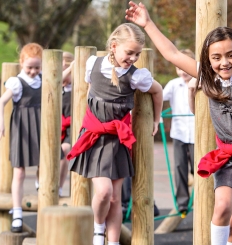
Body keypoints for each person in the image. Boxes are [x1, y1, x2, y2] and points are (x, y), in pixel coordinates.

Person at [125, 2, 232, 244]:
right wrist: (148, 24)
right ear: (208, 59)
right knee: (222, 208)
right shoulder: (207, 77)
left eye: (231, 55)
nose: (224, 62)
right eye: (216, 57)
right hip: (228, 156)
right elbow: (173, 54)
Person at [66, 23, 163, 245]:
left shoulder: (137, 76)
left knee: (115, 198)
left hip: (118, 139)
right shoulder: (93, 65)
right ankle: (98, 229)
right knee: (103, 192)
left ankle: (113, 241)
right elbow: (92, 93)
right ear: (114, 46)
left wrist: (157, 120)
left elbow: (158, 91)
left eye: (137, 54)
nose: (133, 58)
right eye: (129, 52)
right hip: (95, 136)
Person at [0, 43, 44, 233]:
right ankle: (17, 211)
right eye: (29, 67)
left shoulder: (43, 79)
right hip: (22, 128)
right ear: (21, 63)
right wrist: (0, 122)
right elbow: (1, 102)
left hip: (40, 127)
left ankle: (41, 190)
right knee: (19, 171)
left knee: (43, 166)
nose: (33, 71)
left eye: (37, 67)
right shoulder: (17, 82)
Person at [162, 49, 195, 214]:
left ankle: (203, 198)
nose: (182, 71)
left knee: (197, 167)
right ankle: (182, 204)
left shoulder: (199, 82)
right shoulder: (174, 84)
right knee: (179, 166)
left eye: (185, 67)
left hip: (197, 134)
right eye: (178, 67)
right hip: (179, 133)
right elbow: (159, 96)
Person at [58, 51, 74, 196]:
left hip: (71, 128)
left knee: (64, 150)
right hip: (56, 126)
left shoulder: (75, 88)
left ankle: (59, 186)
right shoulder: (57, 87)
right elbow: (56, 81)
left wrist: (71, 69)